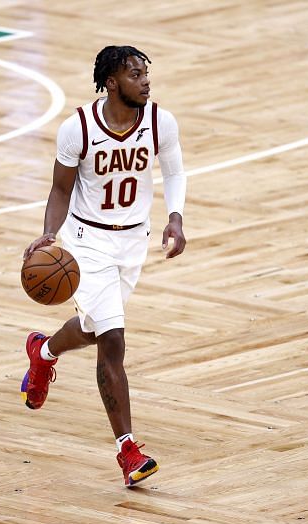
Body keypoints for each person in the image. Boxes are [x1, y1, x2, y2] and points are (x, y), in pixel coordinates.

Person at [21, 45, 187, 487]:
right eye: (135, 74)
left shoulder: (159, 122)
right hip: (86, 242)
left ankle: (43, 352)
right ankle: (128, 452)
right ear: (111, 83)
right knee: (111, 339)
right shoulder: (78, 128)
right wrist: (50, 235)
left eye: (146, 73)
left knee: (94, 328)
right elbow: (60, 190)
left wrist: (175, 216)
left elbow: (173, 172)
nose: (146, 81)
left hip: (133, 242)